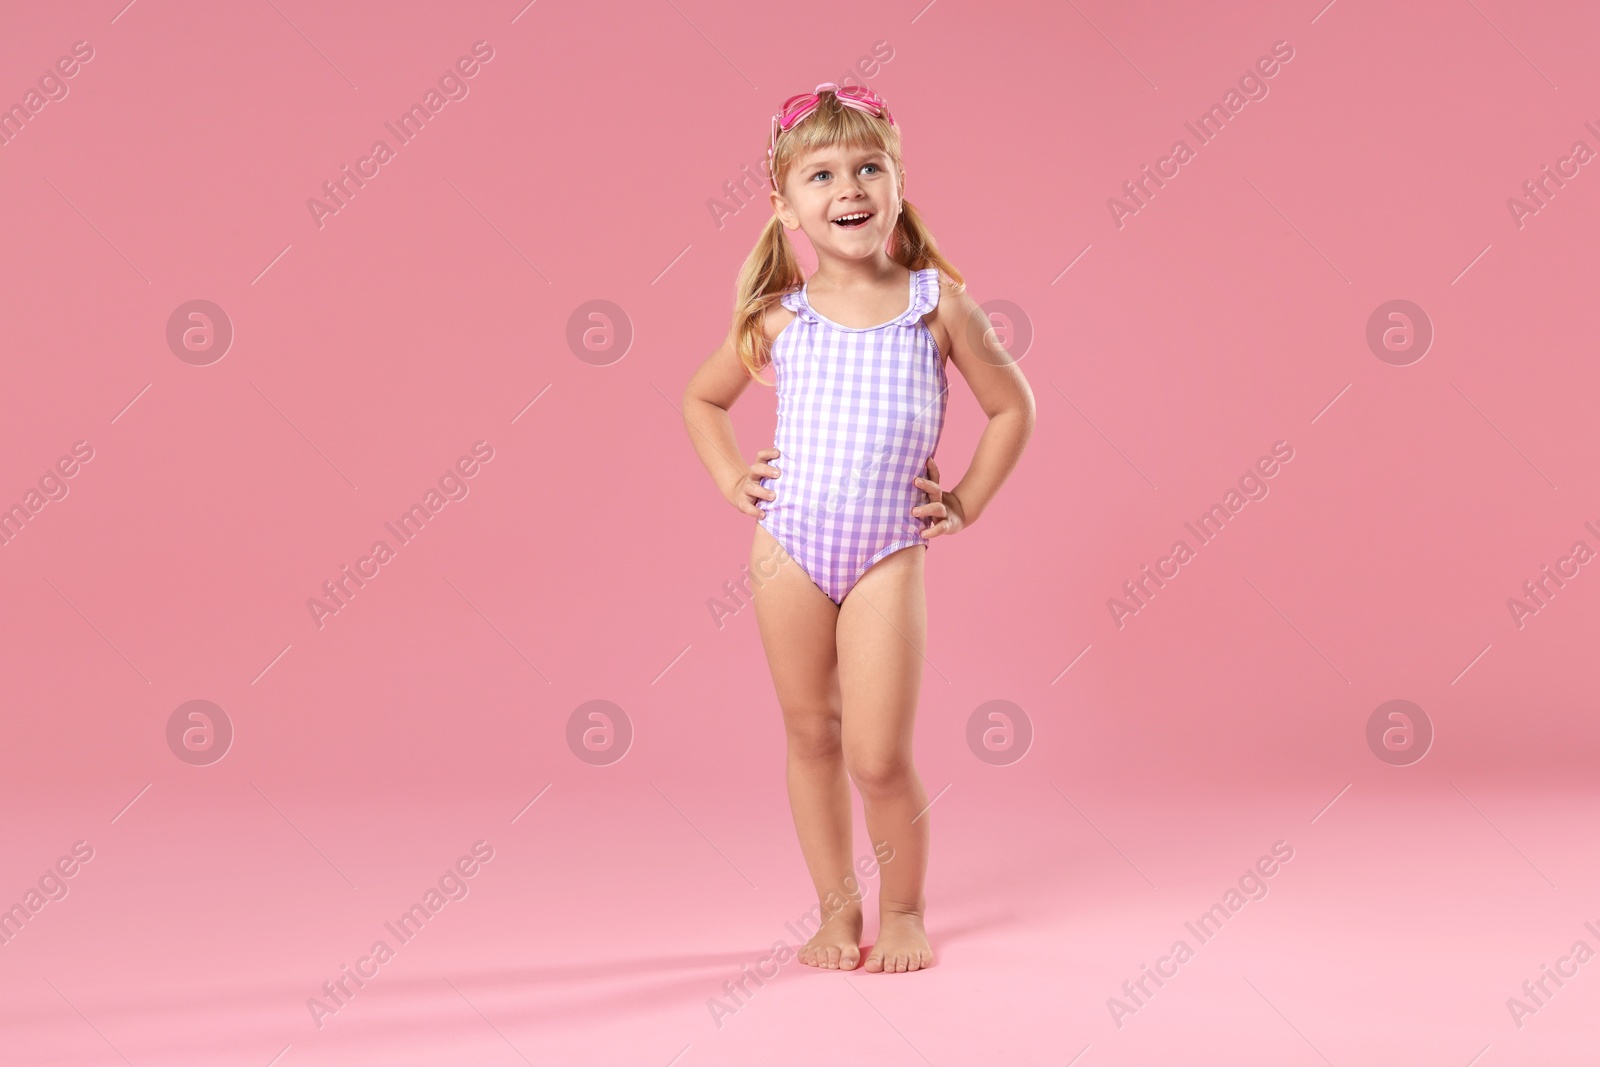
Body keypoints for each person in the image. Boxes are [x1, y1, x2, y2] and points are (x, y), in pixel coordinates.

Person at [681, 82, 1035, 973]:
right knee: (811, 734)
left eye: (869, 167)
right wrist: (732, 476)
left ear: (899, 182)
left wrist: (965, 500)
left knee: (877, 756)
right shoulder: (778, 317)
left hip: (885, 552)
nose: (850, 188)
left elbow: (1012, 408)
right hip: (788, 548)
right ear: (785, 204)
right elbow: (701, 397)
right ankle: (837, 915)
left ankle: (905, 910)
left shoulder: (936, 304)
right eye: (824, 174)